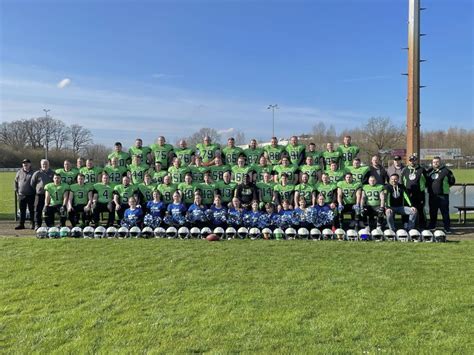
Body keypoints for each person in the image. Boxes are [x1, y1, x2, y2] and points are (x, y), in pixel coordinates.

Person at [426, 156, 456, 233]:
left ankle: (447, 227)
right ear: (432, 163)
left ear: (440, 162)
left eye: (437, 162)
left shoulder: (446, 171)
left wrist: (445, 188)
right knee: (432, 212)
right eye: (434, 162)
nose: (435, 163)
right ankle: (432, 226)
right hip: (432, 195)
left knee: (445, 212)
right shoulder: (429, 171)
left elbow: (452, 181)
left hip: (443, 196)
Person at [401, 155, 427, 228]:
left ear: (416, 161)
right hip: (408, 193)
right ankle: (406, 224)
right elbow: (401, 181)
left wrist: (422, 188)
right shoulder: (405, 170)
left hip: (419, 193)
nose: (412, 162)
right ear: (409, 161)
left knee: (420, 209)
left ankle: (422, 225)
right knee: (407, 208)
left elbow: (427, 180)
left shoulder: (422, 169)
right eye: (411, 160)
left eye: (414, 160)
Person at [31, 159, 54, 228]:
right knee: (38, 210)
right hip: (40, 195)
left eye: (46, 164)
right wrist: (38, 189)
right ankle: (37, 224)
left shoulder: (52, 173)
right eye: (43, 164)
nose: (45, 165)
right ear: (41, 165)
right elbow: (32, 183)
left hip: (50, 195)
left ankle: (50, 224)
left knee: (49, 210)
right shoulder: (37, 173)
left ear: (48, 164)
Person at [15, 159, 36, 230]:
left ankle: (32, 224)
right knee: (22, 210)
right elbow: (16, 182)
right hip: (21, 195)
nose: (25, 164)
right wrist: (17, 191)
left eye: (26, 163)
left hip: (31, 194)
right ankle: (21, 224)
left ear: (30, 164)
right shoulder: (19, 172)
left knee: (31, 210)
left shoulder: (34, 173)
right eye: (24, 163)